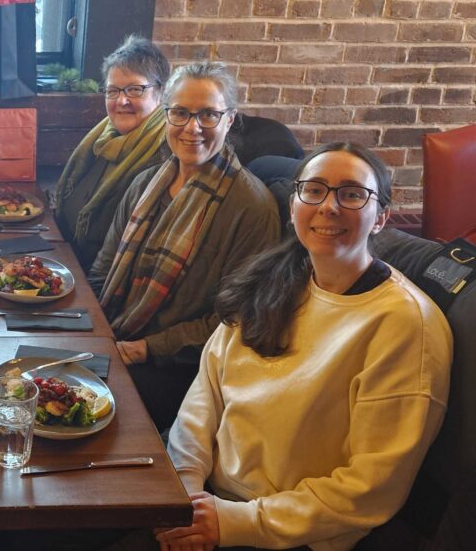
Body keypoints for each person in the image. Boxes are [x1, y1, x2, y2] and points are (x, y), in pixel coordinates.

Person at [159, 142, 452, 551]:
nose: (329, 206)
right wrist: (185, 488)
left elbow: (371, 486)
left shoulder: (405, 325)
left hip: (285, 533)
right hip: (203, 501)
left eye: (351, 194)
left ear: (382, 217)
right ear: (294, 205)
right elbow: (205, 392)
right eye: (313, 190)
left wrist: (233, 522)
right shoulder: (274, 280)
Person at [88, 61, 280, 430]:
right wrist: (91, 331)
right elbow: (102, 269)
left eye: (208, 114)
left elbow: (236, 323)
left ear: (230, 119)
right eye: (180, 113)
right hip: (118, 337)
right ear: (166, 116)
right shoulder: (145, 183)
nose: (193, 128)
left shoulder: (252, 208)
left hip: (181, 372)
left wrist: (148, 348)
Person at [55, 35, 171, 270]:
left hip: (99, 287)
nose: (122, 100)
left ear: (161, 92)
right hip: (67, 264)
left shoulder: (163, 158)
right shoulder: (101, 140)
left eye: (135, 89)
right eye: (113, 91)